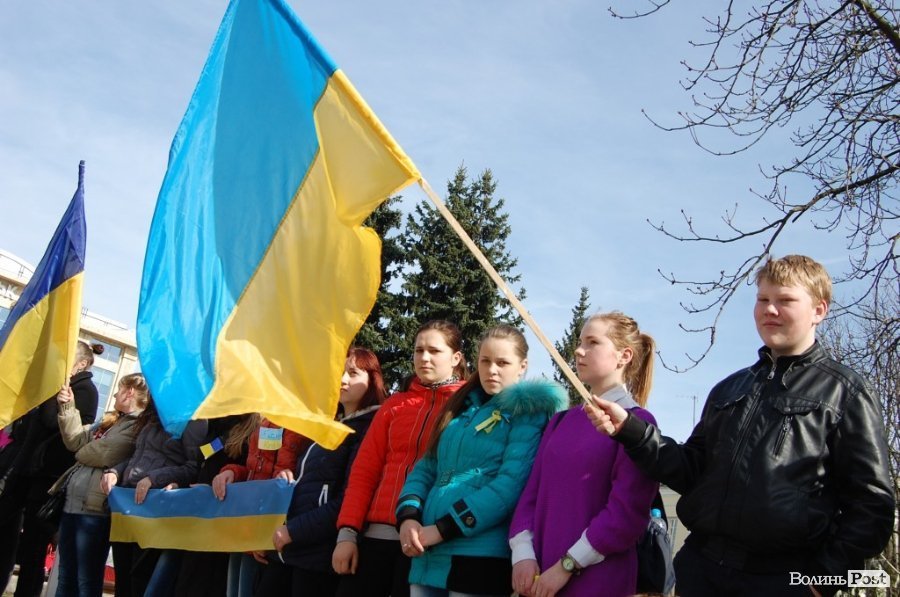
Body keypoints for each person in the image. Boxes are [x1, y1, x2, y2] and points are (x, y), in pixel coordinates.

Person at [586, 255, 896, 597]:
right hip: (702, 573)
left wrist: (820, 583)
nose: (770, 310)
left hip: (782, 581)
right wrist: (631, 430)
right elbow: (690, 470)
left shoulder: (845, 392)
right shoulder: (729, 389)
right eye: (762, 299)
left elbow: (873, 505)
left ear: (819, 310)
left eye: (785, 300)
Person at [396, 324, 567, 597]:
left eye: (502, 363)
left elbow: (510, 486)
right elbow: (427, 467)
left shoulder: (529, 413)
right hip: (427, 551)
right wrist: (408, 517)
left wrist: (444, 528)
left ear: (522, 366)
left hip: (479, 554)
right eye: (485, 361)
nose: (491, 370)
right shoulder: (461, 406)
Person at [508, 312, 660, 597]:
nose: (579, 350)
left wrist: (567, 565)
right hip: (540, 579)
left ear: (624, 355)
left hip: (599, 582)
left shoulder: (639, 424)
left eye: (593, 342)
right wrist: (523, 554)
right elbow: (531, 495)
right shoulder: (560, 422)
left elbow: (626, 515)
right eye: (580, 342)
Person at [332, 320, 468, 597]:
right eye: (419, 350)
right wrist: (347, 533)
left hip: (428, 540)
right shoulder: (395, 405)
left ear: (456, 358)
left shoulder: (468, 408)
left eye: (434, 350)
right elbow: (364, 471)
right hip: (375, 538)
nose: (424, 358)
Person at [256, 347, 387, 596]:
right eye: (338, 372)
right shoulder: (328, 427)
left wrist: (293, 531)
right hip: (291, 547)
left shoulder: (369, 428)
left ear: (373, 380)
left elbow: (350, 497)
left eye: (353, 373)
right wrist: (290, 481)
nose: (342, 380)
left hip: (319, 553)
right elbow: (310, 483)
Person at [0, 340, 102, 597]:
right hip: (25, 471)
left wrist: (57, 391)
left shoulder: (85, 390)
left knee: (33, 550)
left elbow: (51, 422)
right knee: (5, 533)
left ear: (81, 364)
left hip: (47, 479)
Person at [54, 372, 148, 597]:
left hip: (96, 511)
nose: (114, 394)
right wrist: (68, 406)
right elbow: (75, 440)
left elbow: (104, 454)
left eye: (119, 389)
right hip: (72, 505)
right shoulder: (110, 421)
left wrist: (80, 453)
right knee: (65, 576)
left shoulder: (138, 426)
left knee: (86, 580)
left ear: (129, 392)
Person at [103, 402, 207, 597]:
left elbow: (194, 466)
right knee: (122, 580)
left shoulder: (194, 421)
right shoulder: (154, 415)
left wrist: (155, 478)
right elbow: (137, 457)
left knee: (140, 579)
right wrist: (115, 472)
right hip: (126, 504)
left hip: (155, 509)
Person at [209, 413, 305, 597]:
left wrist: (263, 535)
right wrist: (232, 472)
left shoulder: (296, 426)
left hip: (262, 532)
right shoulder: (266, 422)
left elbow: (282, 482)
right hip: (247, 525)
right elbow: (253, 471)